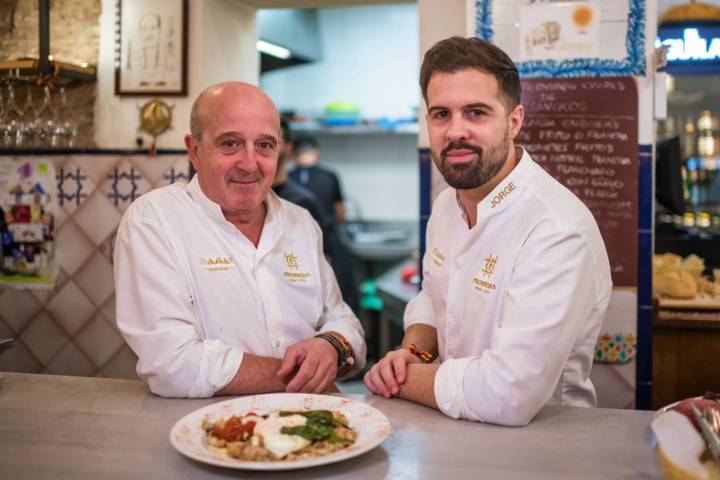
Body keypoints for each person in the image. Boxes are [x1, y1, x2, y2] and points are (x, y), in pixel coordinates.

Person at [364, 37, 612, 426]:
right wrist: (413, 351)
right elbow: (434, 296)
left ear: (514, 121)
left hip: (544, 451)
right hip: (450, 431)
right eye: (441, 114)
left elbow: (509, 393)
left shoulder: (556, 229)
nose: (455, 131)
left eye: (476, 113)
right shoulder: (448, 204)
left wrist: (400, 379)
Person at [113, 82, 366, 398]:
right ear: (195, 150)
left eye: (264, 146)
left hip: (310, 429)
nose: (249, 164)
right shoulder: (155, 220)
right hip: (209, 433)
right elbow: (173, 364)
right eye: (230, 144)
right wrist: (302, 376)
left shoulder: (300, 222)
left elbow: (345, 324)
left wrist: (330, 346)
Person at [288, 136, 358, 311]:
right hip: (329, 243)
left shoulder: (287, 179)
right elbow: (340, 212)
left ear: (292, 154)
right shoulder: (330, 176)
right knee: (336, 300)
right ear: (316, 151)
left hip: (293, 245)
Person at [272, 120, 333, 256]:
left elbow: (322, 257)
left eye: (271, 142)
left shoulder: (302, 201)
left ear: (289, 148)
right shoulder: (251, 199)